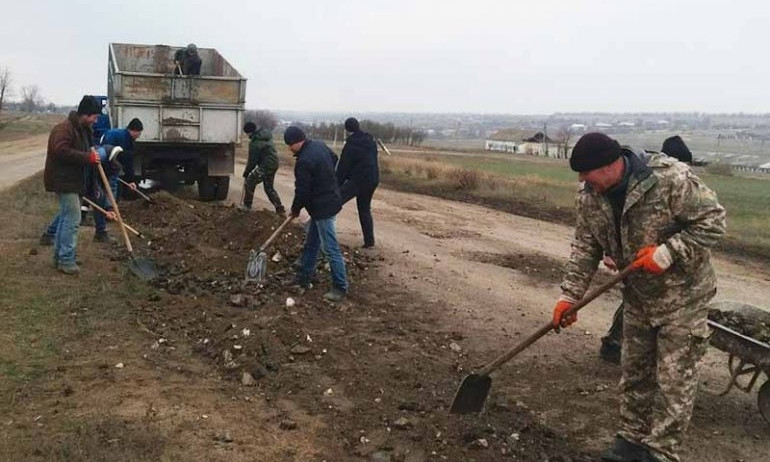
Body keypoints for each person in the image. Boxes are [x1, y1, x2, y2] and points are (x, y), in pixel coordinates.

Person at [553, 133, 725, 462]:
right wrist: (569, 296)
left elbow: (714, 222)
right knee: (635, 372)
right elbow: (586, 247)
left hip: (684, 297)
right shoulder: (590, 195)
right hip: (638, 297)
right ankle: (631, 440)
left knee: (674, 380)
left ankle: (661, 452)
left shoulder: (669, 179)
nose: (581, 181)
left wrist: (668, 253)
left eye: (586, 173)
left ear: (609, 166)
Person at [599, 135, 695, 364]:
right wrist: (610, 253)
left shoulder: (681, 183)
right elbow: (615, 221)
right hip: (640, 267)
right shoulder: (650, 178)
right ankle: (613, 343)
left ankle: (622, 345)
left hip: (670, 268)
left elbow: (702, 223)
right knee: (634, 302)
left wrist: (667, 252)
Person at [284, 126, 348, 302]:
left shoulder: (304, 161)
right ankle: (304, 279)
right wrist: (325, 178)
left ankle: (340, 287)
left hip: (323, 208)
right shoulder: (319, 145)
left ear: (296, 142)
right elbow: (334, 159)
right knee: (312, 242)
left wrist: (295, 210)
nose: (289, 149)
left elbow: (302, 192)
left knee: (331, 249)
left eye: (289, 145)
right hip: (330, 199)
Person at [42, 96, 103, 275]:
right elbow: (60, 150)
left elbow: (87, 151)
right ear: (85, 114)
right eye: (94, 116)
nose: (96, 120)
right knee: (72, 219)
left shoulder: (84, 130)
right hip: (63, 181)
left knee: (66, 218)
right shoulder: (63, 129)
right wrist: (87, 158)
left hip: (75, 181)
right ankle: (66, 260)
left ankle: (60, 257)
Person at [41, 145, 122, 246]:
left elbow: (111, 187)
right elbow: (89, 174)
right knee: (71, 210)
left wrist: (110, 207)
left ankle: (101, 233)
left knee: (100, 201)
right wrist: (93, 190)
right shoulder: (98, 156)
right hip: (81, 182)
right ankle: (49, 234)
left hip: (93, 184)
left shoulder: (115, 167)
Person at [337, 117, 379, 248]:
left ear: (347, 129)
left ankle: (318, 231)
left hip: (358, 180)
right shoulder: (371, 141)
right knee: (364, 209)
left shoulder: (351, 145)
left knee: (334, 202)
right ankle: (369, 241)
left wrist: (336, 186)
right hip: (372, 179)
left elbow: (343, 168)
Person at [239, 122, 285, 214]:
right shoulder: (265, 135)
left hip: (266, 166)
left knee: (249, 182)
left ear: (249, 132)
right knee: (269, 187)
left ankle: (247, 206)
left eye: (246, 133)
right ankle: (279, 208)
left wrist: (246, 172)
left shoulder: (255, 143)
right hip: (273, 164)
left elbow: (252, 161)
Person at [100, 117, 143, 196]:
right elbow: (127, 160)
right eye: (139, 133)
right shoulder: (124, 139)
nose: (139, 136)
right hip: (108, 159)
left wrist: (130, 180)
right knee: (111, 183)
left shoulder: (124, 135)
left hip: (106, 157)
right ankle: (110, 205)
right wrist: (130, 180)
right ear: (134, 131)